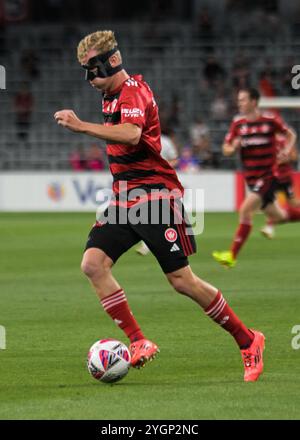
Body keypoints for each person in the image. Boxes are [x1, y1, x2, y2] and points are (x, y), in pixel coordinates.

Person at [55, 30, 265, 381]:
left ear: (111, 61)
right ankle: (138, 342)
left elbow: (132, 134)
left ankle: (248, 341)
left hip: (155, 196)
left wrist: (82, 127)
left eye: (91, 68)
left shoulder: (133, 90)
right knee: (93, 265)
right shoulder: (110, 96)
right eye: (84, 70)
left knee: (182, 281)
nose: (88, 78)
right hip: (125, 198)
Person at [212, 88, 300, 268]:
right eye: (239, 100)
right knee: (280, 216)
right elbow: (226, 148)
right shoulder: (238, 124)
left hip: (269, 175)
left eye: (243, 100)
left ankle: (231, 255)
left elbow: (291, 134)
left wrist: (285, 151)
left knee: (245, 210)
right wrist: (233, 147)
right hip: (251, 179)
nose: (240, 103)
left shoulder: (269, 121)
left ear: (254, 101)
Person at [135, 127, 178, 256]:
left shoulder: (164, 141)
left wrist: (163, 167)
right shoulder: (140, 139)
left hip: (162, 180)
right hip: (146, 180)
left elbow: (174, 159)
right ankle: (149, 242)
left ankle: (166, 240)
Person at [261, 133, 300, 239]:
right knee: (270, 203)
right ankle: (269, 227)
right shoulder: (266, 140)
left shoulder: (287, 140)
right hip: (272, 177)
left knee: (293, 203)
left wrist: (283, 159)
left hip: (285, 177)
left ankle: (270, 226)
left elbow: (294, 156)